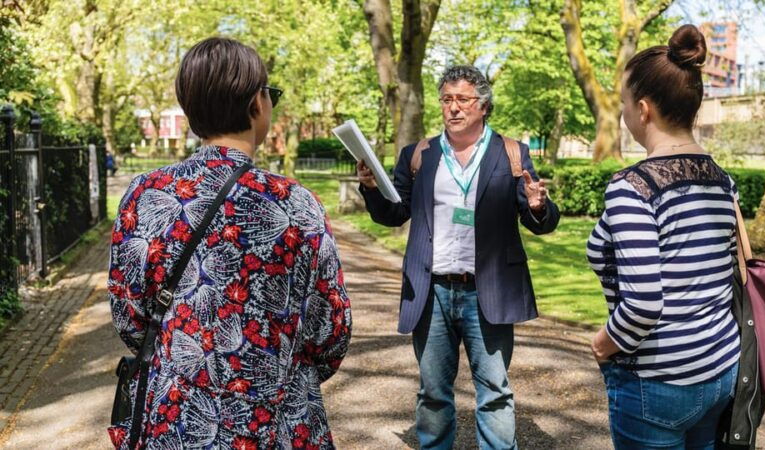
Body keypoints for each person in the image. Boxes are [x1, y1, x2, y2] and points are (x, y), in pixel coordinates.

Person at [107, 37, 351, 449]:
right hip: (278, 418)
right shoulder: (295, 204)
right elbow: (330, 328)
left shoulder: (147, 195)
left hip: (177, 420)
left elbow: (130, 314)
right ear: (257, 103)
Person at [357, 65, 559, 449]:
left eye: (462, 99)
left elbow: (541, 223)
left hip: (489, 292)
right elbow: (393, 213)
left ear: (483, 105)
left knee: (495, 391)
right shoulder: (419, 155)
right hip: (432, 292)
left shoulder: (512, 153)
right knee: (433, 392)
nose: (453, 108)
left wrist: (537, 205)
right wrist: (371, 188)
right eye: (446, 100)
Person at [586, 25, 742, 449]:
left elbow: (643, 302)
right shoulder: (722, 181)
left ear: (643, 109)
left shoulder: (631, 187)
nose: (622, 115)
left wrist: (603, 343)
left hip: (658, 382)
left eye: (622, 105)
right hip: (721, 367)